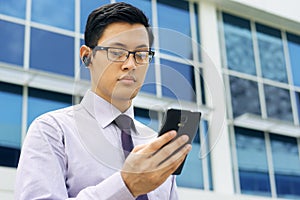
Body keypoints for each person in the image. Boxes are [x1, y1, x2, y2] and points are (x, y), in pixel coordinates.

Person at [15, 2, 192, 200]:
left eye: (141, 55)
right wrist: (126, 185)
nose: (130, 64)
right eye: (117, 52)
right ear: (87, 56)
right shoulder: (53, 131)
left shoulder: (155, 146)